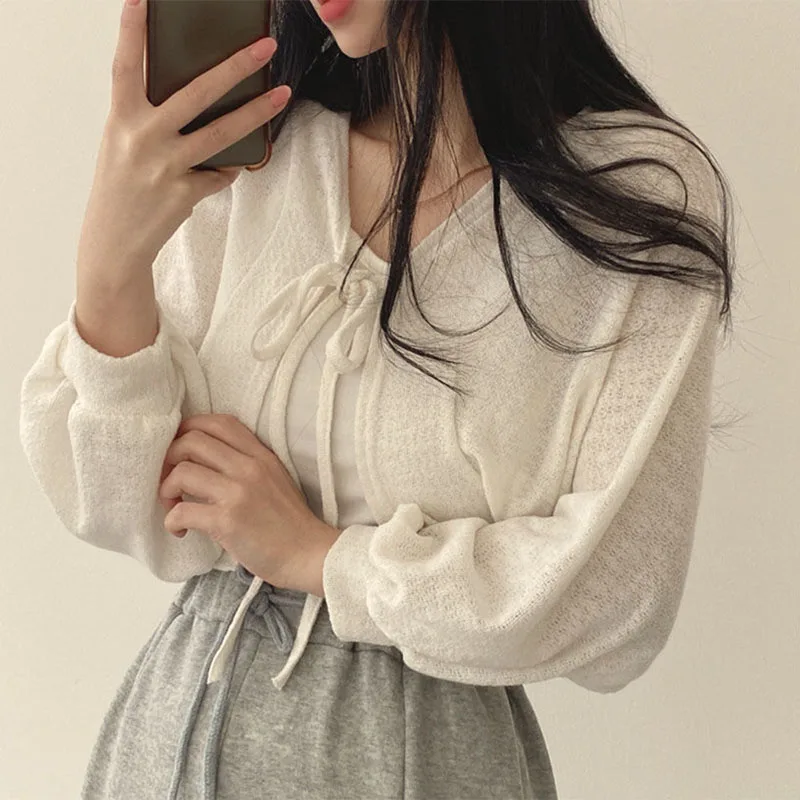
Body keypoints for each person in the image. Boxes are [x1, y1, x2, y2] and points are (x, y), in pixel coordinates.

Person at [18, 0, 734, 798]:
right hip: (172, 745)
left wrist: (324, 557)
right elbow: (124, 504)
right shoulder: (261, 154)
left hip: (425, 763)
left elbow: (617, 597)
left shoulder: (631, 197)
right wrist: (109, 267)